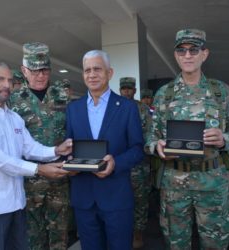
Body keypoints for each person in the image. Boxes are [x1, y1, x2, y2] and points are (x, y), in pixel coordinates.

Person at [145, 29, 229, 249]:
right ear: (176, 55)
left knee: (215, 243)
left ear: (205, 54)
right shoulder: (164, 93)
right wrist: (157, 145)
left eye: (194, 50)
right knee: (176, 242)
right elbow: (150, 135)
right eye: (181, 50)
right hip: (174, 184)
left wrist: (224, 139)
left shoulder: (220, 91)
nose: (188, 55)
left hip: (212, 182)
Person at [0, 62, 72, 250]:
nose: (6, 84)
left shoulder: (14, 118)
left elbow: (30, 148)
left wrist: (56, 151)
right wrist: (38, 169)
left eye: (10, 81)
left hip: (17, 203)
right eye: (0, 79)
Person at [65, 50, 144, 250]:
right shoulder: (73, 109)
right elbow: (69, 147)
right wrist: (69, 163)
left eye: (97, 69)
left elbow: (137, 149)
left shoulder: (127, 107)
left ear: (110, 73)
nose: (92, 74)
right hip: (84, 197)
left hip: (116, 196)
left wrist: (116, 163)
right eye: (87, 70)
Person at [9, 42, 71, 250]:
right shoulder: (13, 102)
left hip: (60, 175)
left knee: (59, 233)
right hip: (29, 178)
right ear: (24, 71)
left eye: (45, 69)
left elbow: (73, 130)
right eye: (34, 70)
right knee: (32, 236)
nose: (41, 75)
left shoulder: (63, 96)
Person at [119, 77, 152, 248]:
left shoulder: (142, 108)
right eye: (123, 88)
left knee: (140, 200)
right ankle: (123, 231)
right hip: (118, 164)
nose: (126, 91)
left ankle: (138, 232)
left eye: (129, 88)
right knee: (120, 199)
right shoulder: (114, 107)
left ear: (135, 90)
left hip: (139, 164)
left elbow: (149, 134)